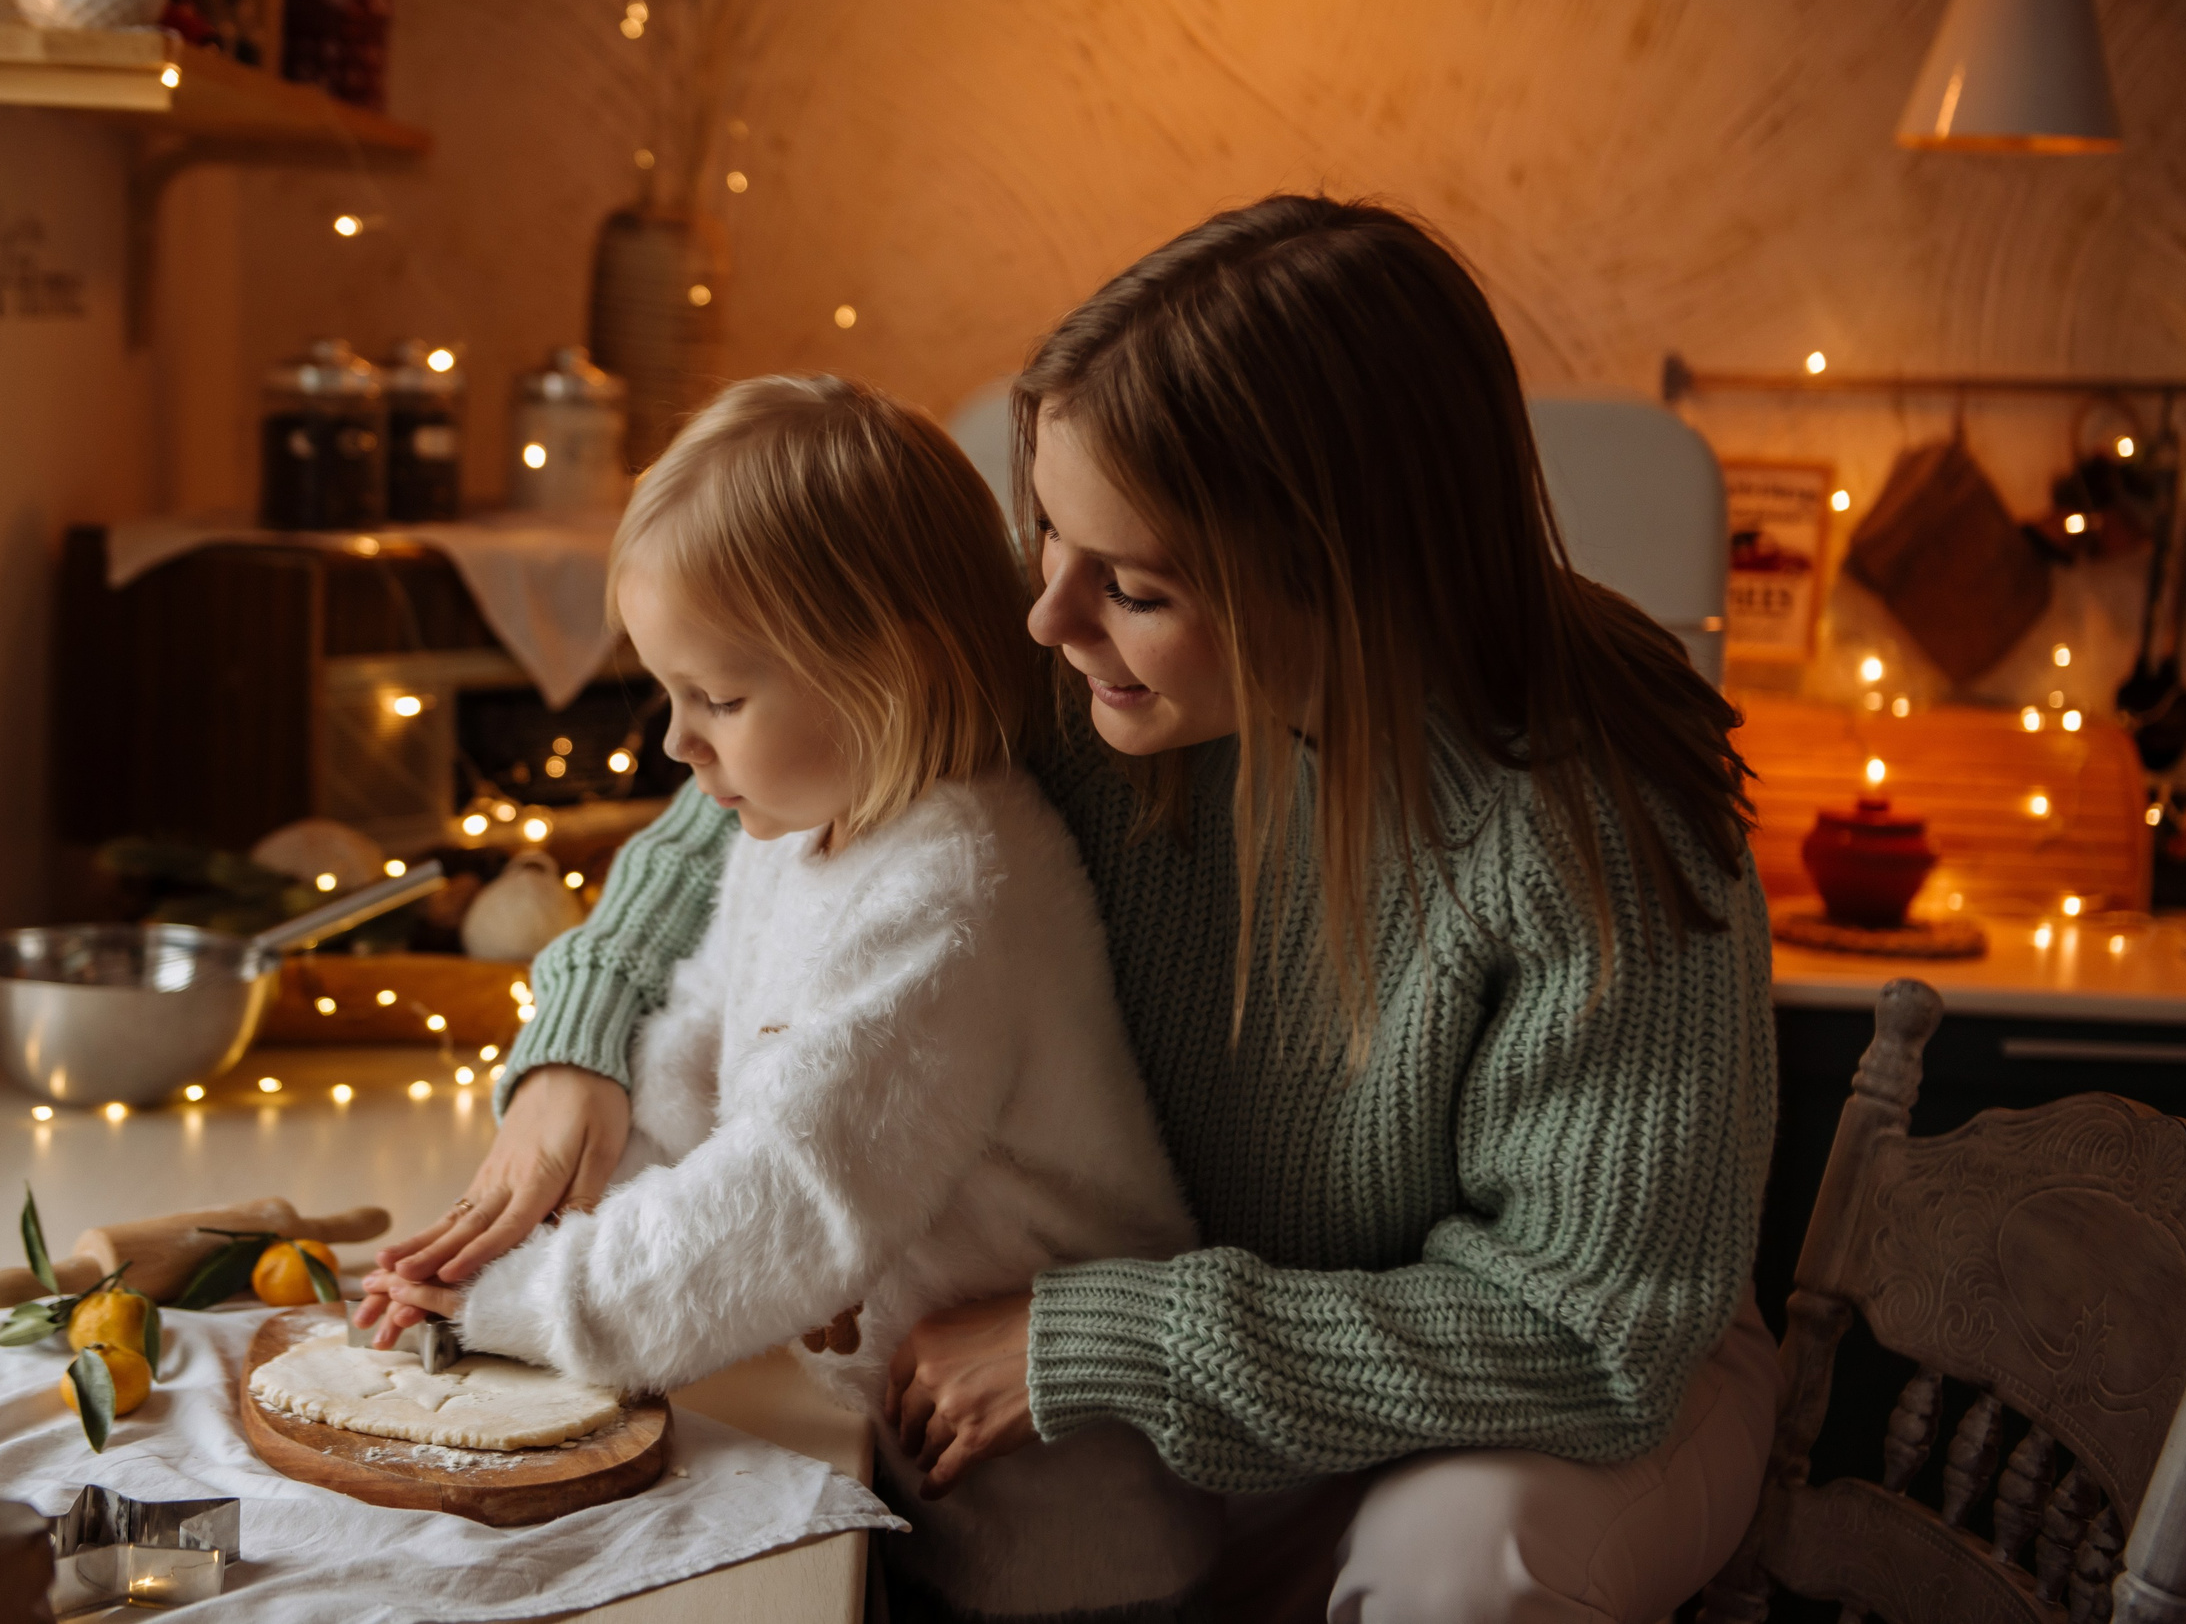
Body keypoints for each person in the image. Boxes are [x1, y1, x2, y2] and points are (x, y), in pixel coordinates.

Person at [378, 196, 1781, 1624]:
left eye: (1132, 583)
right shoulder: (1084, 654)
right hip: (1205, 1411)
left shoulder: (1595, 822)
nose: (1044, 618)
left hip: (1543, 1399)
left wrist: (1100, 1336)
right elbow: (785, 767)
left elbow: (1592, 1331)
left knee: (1471, 1561)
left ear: (1337, 582)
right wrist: (585, 1036)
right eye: (1045, 533)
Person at [359, 375, 1220, 1621]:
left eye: (715, 699)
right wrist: (550, 1220)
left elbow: (788, 1196)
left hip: (1067, 1550)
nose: (676, 746)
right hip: (908, 1472)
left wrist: (511, 1308)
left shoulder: (953, 886)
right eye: (669, 695)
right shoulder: (800, 829)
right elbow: (692, 1051)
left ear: (882, 673)